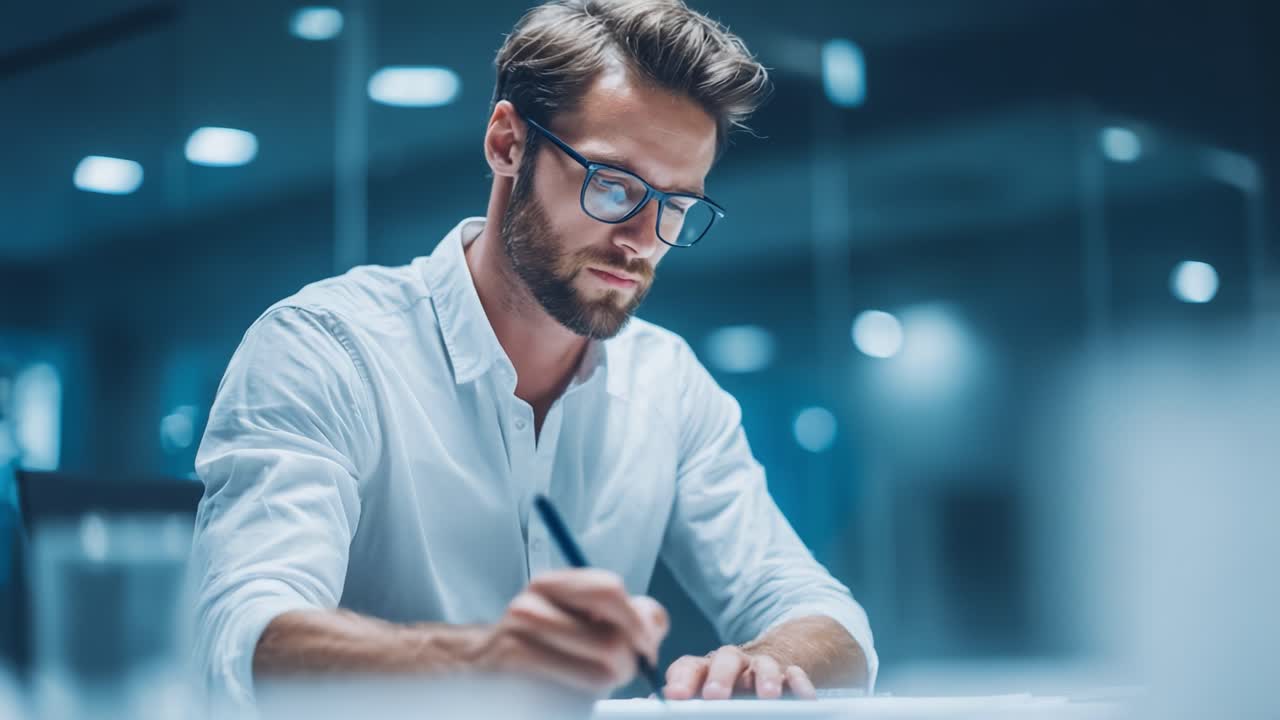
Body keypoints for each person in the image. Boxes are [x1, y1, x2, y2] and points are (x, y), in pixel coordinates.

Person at [190, 0, 876, 707]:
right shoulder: (326, 349)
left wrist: (766, 661)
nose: (643, 237)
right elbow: (244, 637)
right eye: (614, 183)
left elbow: (823, 613)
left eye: (676, 204)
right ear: (508, 144)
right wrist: (480, 661)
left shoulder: (666, 382)